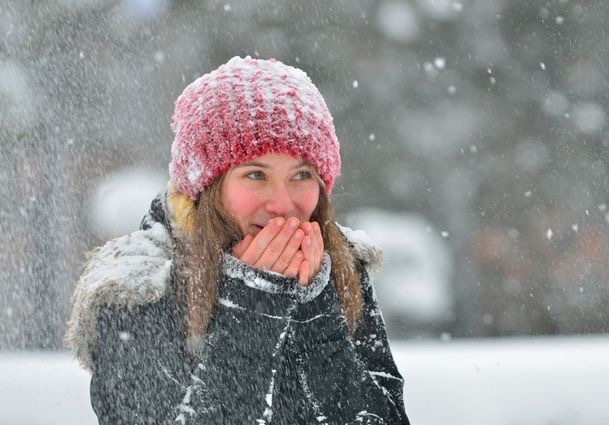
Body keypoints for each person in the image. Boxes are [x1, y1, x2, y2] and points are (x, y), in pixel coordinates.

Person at [66, 56, 410, 424]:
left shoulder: (338, 269)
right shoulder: (140, 288)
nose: (283, 205)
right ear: (207, 188)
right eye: (256, 175)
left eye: (302, 175)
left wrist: (317, 311)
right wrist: (254, 305)